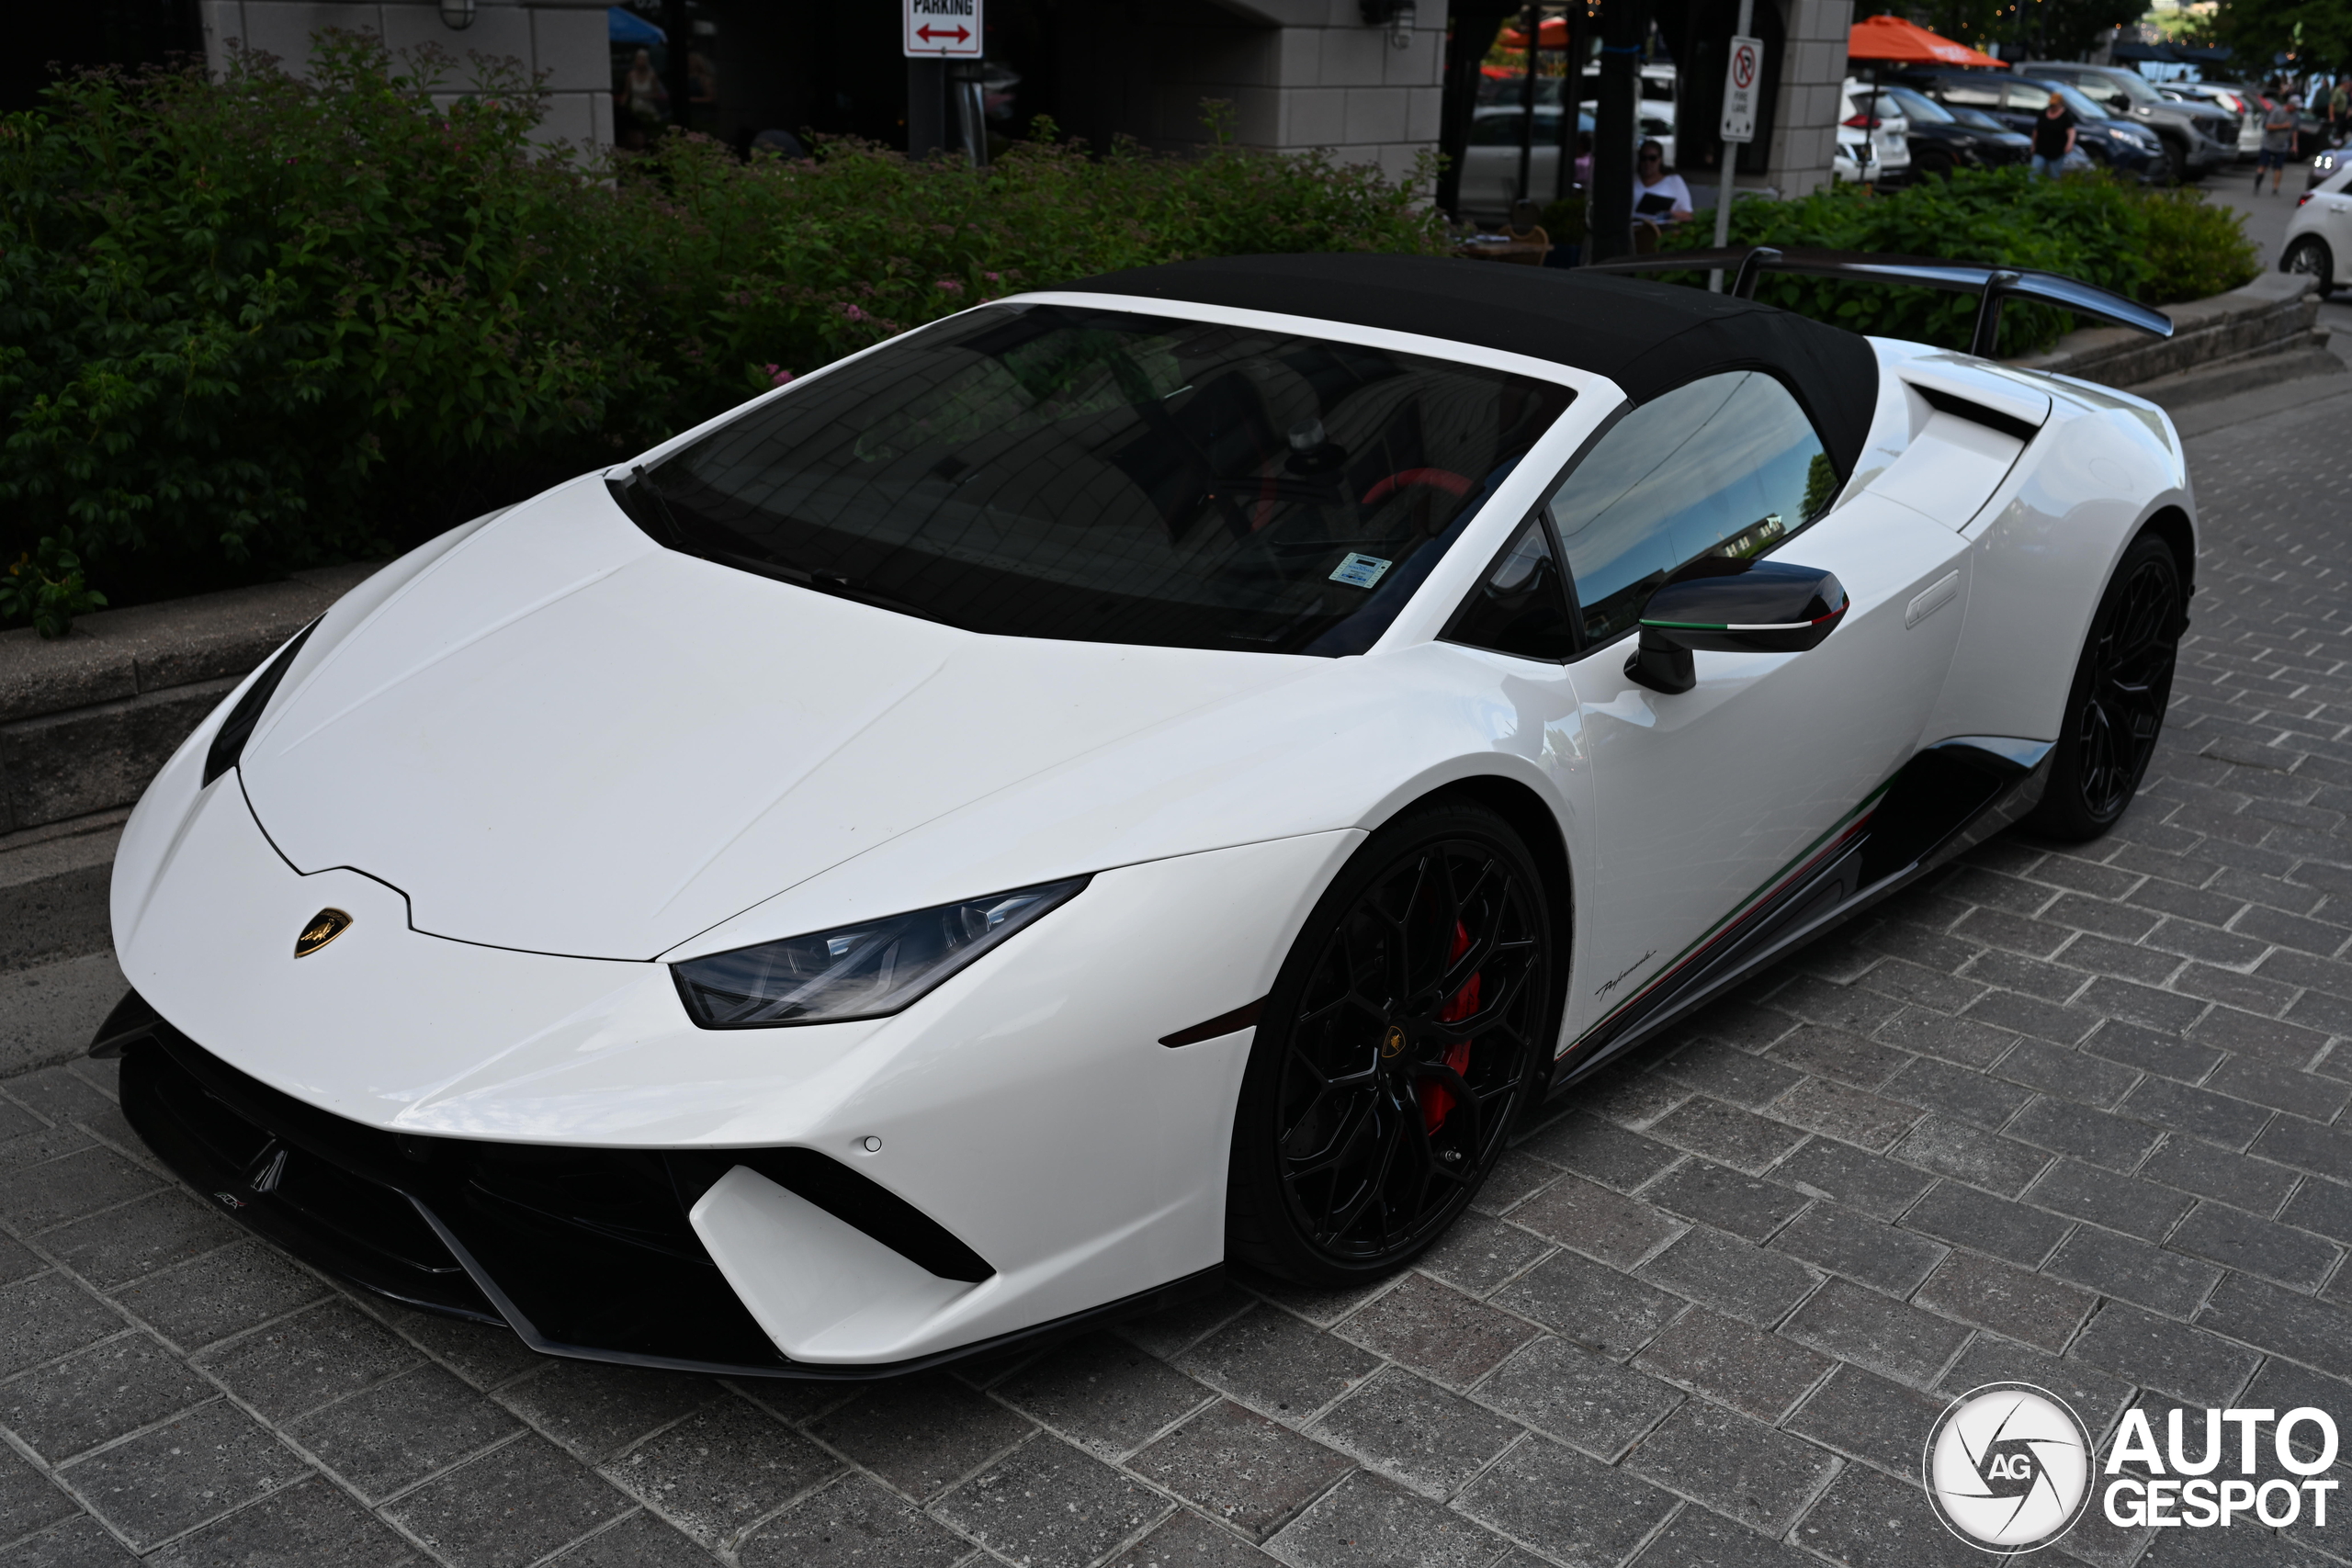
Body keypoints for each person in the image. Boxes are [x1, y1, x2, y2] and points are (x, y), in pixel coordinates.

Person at [1633, 140, 1692, 223]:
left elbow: (1688, 214)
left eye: (1652, 158)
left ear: (1660, 159)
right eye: (1643, 158)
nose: (1647, 163)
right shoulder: (1632, 179)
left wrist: (1671, 214)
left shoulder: (1674, 181)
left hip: (1661, 230)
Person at [2030, 90, 2075, 178]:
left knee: (2054, 174)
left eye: (2054, 104)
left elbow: (2071, 131)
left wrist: (2069, 144)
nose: (2052, 106)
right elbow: (2036, 130)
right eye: (2051, 104)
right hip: (2041, 149)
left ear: (2060, 103)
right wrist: (2033, 144)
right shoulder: (2043, 114)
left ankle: (2051, 190)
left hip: (2057, 151)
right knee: (2034, 171)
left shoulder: (2066, 116)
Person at [2260, 94, 2298, 192]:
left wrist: (2294, 144)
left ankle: (2275, 188)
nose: (2296, 109)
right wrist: (2283, 126)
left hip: (2282, 146)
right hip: (2269, 144)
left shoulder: (2295, 115)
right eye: (2295, 107)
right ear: (2290, 105)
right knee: (2263, 166)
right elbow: (2268, 126)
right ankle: (2257, 184)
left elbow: (2294, 130)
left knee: (2279, 168)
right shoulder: (2277, 111)